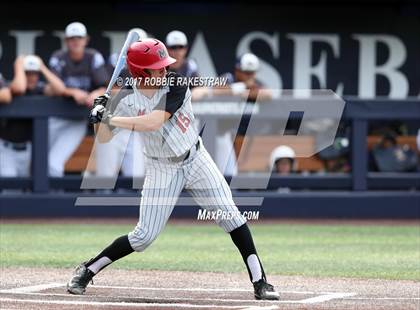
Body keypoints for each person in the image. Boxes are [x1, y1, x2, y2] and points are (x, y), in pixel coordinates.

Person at [67, 39, 279, 301]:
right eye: (157, 68)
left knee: (231, 215)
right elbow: (106, 136)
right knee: (143, 237)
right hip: (160, 167)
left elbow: (154, 122)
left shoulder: (176, 83)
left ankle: (260, 282)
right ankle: (88, 269)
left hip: (195, 158)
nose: (164, 71)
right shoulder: (124, 92)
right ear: (141, 72)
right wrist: (101, 111)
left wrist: (110, 116)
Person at [48, 22, 109, 177]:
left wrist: (96, 93)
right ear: (66, 40)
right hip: (55, 117)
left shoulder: (93, 56)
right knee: (40, 161)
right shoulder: (58, 57)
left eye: (79, 37)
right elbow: (51, 88)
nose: (76, 41)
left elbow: (105, 87)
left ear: (86, 40)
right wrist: (72, 92)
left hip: (77, 121)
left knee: (52, 164)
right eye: (72, 38)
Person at [0, 55, 65, 177]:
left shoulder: (40, 89)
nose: (31, 77)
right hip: (6, 149)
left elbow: (60, 89)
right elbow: (19, 88)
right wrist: (19, 65)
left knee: (27, 189)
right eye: (27, 73)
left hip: (28, 149)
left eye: (34, 73)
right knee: (10, 188)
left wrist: (42, 67)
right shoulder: (11, 86)